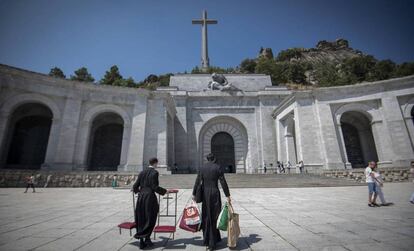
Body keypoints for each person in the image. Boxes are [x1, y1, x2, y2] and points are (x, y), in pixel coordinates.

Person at [192, 153, 231, 251]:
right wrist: (228, 195)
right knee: (215, 216)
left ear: (207, 159)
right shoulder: (218, 167)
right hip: (214, 193)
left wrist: (193, 194)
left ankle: (207, 239)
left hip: (205, 194)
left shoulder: (202, 168)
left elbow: (197, 181)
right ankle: (213, 242)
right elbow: (223, 182)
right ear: (214, 159)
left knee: (206, 216)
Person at [132, 158, 167, 249]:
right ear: (155, 163)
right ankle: (146, 237)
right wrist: (164, 191)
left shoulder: (142, 172)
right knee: (150, 217)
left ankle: (143, 241)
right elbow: (154, 187)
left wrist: (138, 191)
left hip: (141, 198)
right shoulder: (154, 173)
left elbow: (135, 186)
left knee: (141, 218)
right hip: (149, 198)